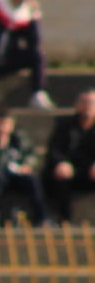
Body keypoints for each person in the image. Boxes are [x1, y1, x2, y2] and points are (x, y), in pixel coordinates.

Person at [0, 110, 48, 224]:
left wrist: (27, 165)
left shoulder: (19, 139)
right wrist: (0, 145)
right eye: (0, 123)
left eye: (6, 124)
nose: (3, 127)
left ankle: (41, 217)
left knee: (33, 180)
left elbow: (31, 155)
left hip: (17, 175)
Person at [44, 89, 95, 222]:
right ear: (77, 105)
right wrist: (61, 162)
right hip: (69, 170)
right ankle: (63, 220)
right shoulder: (64, 125)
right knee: (60, 178)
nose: (87, 106)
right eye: (84, 102)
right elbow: (54, 149)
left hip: (90, 171)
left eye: (91, 102)